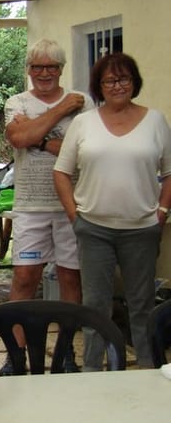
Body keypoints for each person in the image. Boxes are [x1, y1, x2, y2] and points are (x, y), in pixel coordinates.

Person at [54, 52, 171, 370]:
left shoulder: (156, 121)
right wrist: (73, 215)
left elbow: (169, 172)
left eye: (124, 79)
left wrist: (161, 210)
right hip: (93, 229)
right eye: (110, 80)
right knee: (95, 307)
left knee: (142, 305)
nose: (117, 85)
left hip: (142, 229)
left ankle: (147, 370)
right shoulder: (83, 123)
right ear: (98, 86)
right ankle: (94, 371)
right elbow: (61, 172)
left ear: (134, 83)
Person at [0, 39, 94, 375]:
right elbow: (19, 140)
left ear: (61, 69)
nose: (44, 73)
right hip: (30, 205)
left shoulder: (85, 104)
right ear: (28, 69)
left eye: (51, 67)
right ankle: (16, 355)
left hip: (72, 203)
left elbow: (81, 150)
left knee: (71, 279)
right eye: (37, 67)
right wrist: (60, 110)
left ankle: (65, 353)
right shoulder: (18, 101)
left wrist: (36, 133)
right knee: (25, 279)